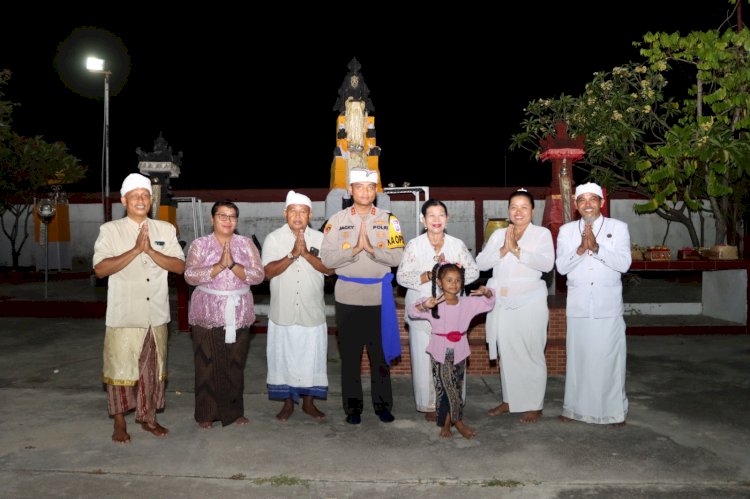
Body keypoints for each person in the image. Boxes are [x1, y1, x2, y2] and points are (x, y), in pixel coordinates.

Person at [93, 173, 186, 443]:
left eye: (145, 195)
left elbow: (180, 266)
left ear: (151, 199)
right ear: (124, 200)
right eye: (135, 196)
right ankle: (119, 422)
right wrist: (134, 250)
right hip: (124, 314)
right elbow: (100, 270)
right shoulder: (110, 230)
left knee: (153, 371)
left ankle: (149, 418)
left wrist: (151, 252)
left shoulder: (165, 230)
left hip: (155, 315)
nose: (141, 200)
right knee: (119, 369)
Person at [321, 168, 404, 425]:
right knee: (350, 358)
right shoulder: (337, 220)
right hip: (348, 298)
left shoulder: (390, 220)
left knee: (379, 357)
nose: (365, 192)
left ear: (375, 192)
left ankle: (382, 406)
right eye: (360, 187)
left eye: (370, 188)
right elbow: (326, 259)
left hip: (379, 298)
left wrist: (372, 249)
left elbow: (398, 257)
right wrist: (355, 250)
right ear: (350, 191)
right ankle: (353, 408)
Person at [555, 182, 632, 426]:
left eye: (592, 199)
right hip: (578, 307)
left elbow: (624, 264)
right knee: (579, 359)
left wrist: (596, 248)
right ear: (576, 205)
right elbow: (561, 268)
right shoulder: (567, 231)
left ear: (601, 202)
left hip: (606, 306)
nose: (587, 204)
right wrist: (580, 249)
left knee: (610, 359)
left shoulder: (617, 228)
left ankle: (613, 412)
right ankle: (575, 410)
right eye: (582, 200)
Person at [184, 200, 264, 429]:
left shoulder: (246, 244)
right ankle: (206, 413)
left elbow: (258, 275)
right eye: (222, 216)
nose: (228, 221)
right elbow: (190, 276)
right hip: (206, 314)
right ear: (212, 219)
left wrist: (233, 266)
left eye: (232, 216)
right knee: (205, 364)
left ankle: (234, 411)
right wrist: (219, 266)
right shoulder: (200, 244)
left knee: (235, 363)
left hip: (238, 313)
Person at [476, 189, 554, 423]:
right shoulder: (499, 234)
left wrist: (518, 250)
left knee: (531, 351)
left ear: (532, 210)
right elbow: (480, 263)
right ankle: (510, 400)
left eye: (523, 207)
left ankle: (534, 404)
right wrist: (503, 249)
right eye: (513, 207)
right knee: (507, 352)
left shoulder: (541, 234)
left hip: (531, 299)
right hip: (502, 299)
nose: (518, 211)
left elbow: (547, 263)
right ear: (508, 210)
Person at [396, 199, 479, 422]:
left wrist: (457, 275)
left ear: (447, 219)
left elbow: (474, 272)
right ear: (423, 220)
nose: (436, 219)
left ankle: (452, 403)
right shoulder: (414, 245)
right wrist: (429, 275)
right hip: (423, 310)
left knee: (453, 359)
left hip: (452, 313)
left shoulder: (456, 245)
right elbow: (401, 277)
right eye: (430, 215)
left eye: (441, 214)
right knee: (425, 361)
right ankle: (430, 405)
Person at [262, 191, 333, 421]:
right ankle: (287, 403)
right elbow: (266, 273)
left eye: (303, 211)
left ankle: (309, 404)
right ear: (285, 213)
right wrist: (293, 254)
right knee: (283, 359)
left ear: (310, 214)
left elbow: (330, 269)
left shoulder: (321, 239)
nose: (298, 216)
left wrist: (306, 254)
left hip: (311, 311)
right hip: (283, 311)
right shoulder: (273, 239)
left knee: (311, 358)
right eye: (293, 211)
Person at [408, 263, 495, 439]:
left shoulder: (467, 303)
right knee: (448, 388)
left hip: (460, 351)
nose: (454, 284)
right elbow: (412, 312)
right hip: (440, 352)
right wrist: (425, 305)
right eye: (449, 280)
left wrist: (486, 292)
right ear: (439, 282)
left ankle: (446, 424)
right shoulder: (434, 303)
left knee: (453, 389)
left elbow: (489, 303)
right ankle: (459, 423)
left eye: (457, 280)